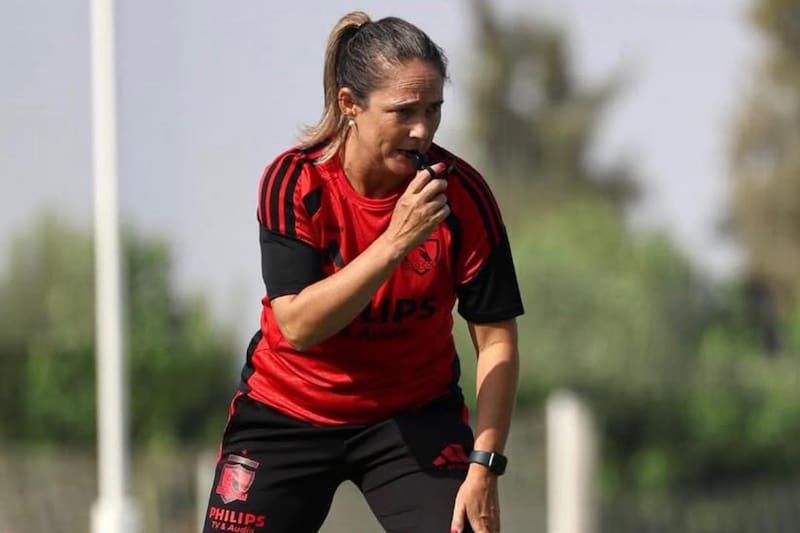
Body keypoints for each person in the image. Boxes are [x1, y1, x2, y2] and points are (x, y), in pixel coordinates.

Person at [202, 11, 523, 533]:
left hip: (412, 417)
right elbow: (299, 326)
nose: (423, 130)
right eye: (403, 112)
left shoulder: (462, 197)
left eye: (434, 109)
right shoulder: (295, 181)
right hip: (288, 411)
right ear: (350, 104)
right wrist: (396, 241)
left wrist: (485, 464)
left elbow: (498, 343)